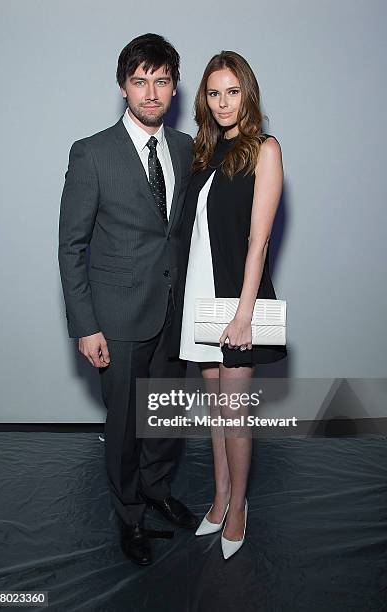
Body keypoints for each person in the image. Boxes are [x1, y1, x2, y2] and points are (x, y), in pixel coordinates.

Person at [58, 33, 198, 567]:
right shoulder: (91, 153)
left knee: (165, 416)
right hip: (116, 318)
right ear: (123, 87)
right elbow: (72, 245)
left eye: (161, 81)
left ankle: (159, 490)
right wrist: (85, 325)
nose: (151, 93)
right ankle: (130, 514)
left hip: (173, 311)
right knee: (123, 427)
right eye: (140, 81)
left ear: (174, 86)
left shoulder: (186, 150)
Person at [169, 51, 287, 559]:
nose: (222, 103)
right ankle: (217, 498)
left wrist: (244, 315)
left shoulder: (265, 149)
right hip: (202, 296)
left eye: (232, 92)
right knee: (216, 414)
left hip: (238, 302)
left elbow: (259, 242)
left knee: (235, 415)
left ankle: (239, 505)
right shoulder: (205, 154)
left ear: (248, 95)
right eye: (214, 93)